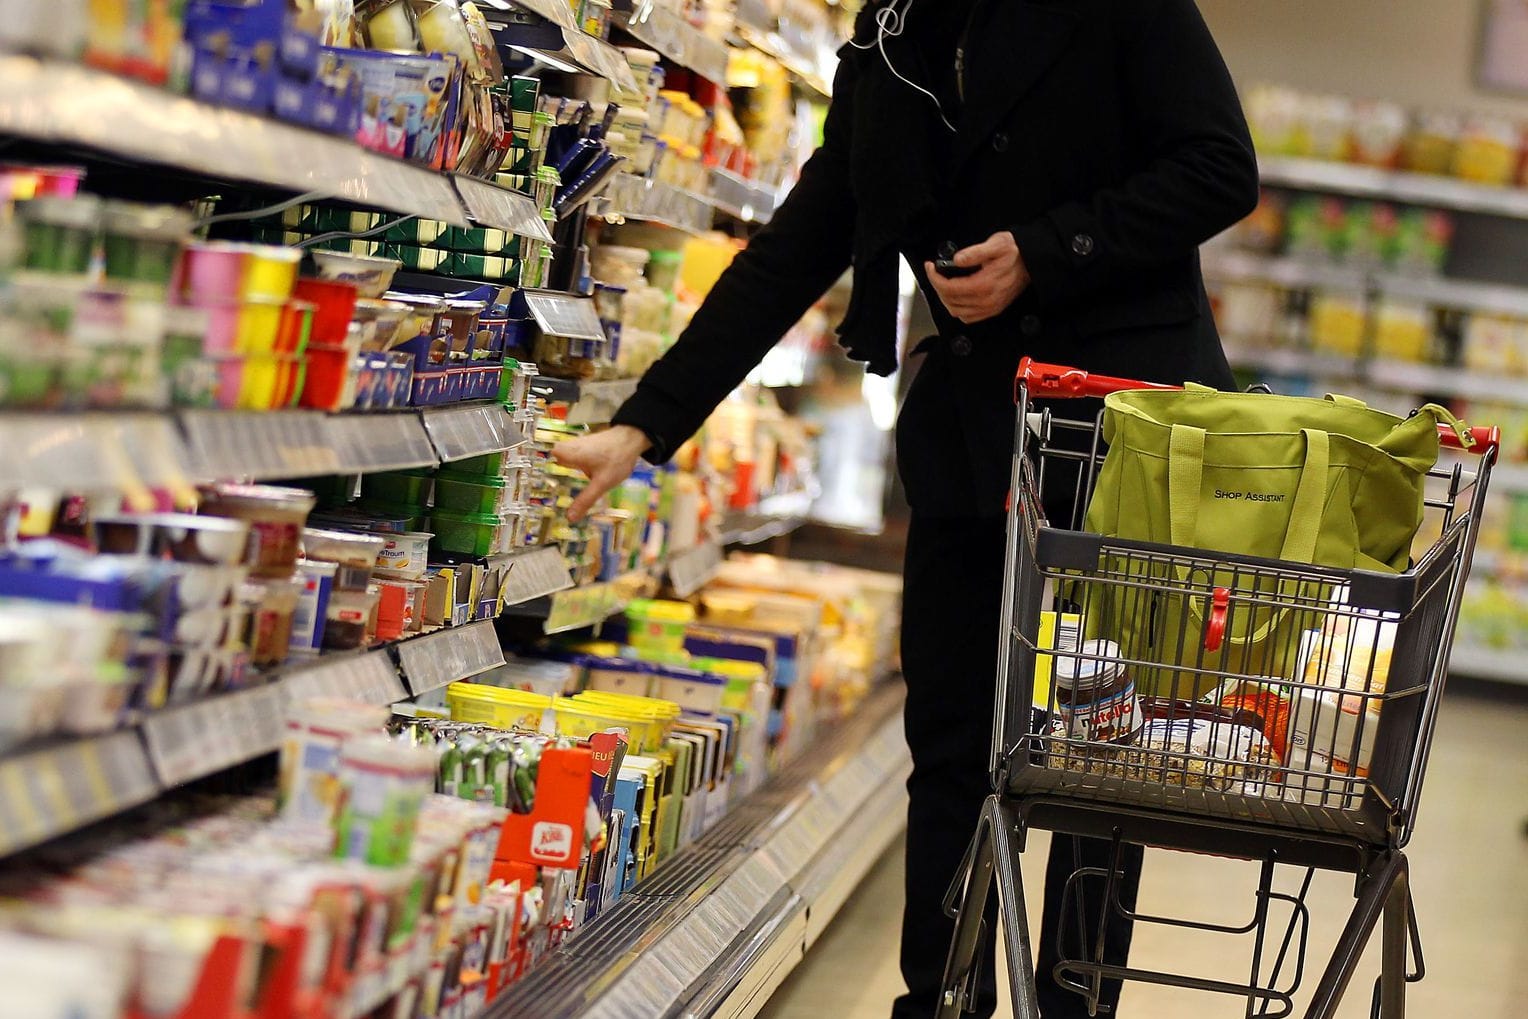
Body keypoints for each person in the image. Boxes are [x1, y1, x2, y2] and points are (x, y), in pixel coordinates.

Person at [553, 1, 1259, 1015]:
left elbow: (1217, 167)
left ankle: (1072, 1003)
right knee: (951, 747)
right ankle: (937, 999)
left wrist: (1048, 248)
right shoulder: (893, 33)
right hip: (973, 439)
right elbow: (801, 240)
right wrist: (645, 421)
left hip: (1121, 445)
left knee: (1097, 769)